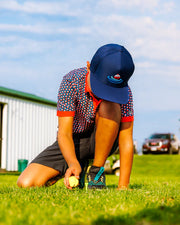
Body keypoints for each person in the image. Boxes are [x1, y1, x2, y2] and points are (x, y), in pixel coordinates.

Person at [17, 43, 135, 190]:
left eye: (111, 89)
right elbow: (64, 133)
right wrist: (72, 162)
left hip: (106, 140)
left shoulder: (124, 92)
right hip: (74, 141)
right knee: (26, 183)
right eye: (101, 86)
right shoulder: (71, 82)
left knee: (109, 105)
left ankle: (96, 173)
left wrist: (123, 185)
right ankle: (79, 165)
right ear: (89, 66)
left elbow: (126, 139)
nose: (104, 93)